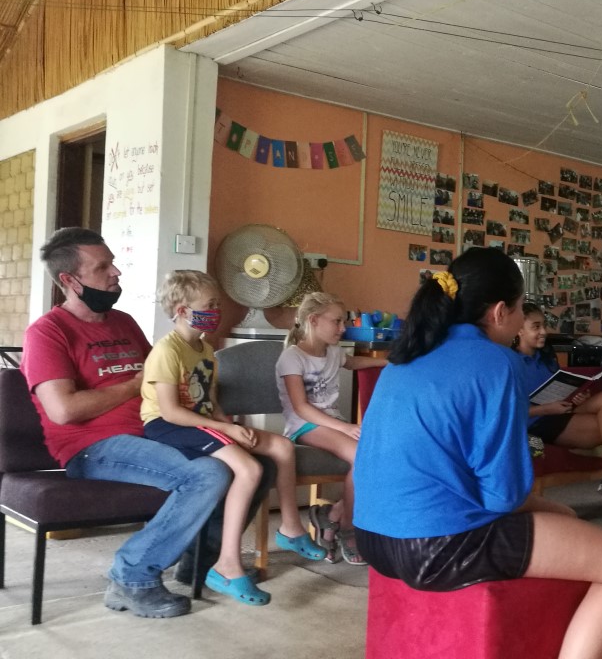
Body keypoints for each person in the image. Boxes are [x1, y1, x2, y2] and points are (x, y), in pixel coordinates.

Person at [353, 248, 602, 659]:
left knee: (567, 529)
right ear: (499, 312)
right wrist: (558, 510)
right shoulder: (496, 361)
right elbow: (503, 497)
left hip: (371, 537)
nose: (522, 320)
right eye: (522, 309)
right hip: (435, 545)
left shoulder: (407, 355)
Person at [19, 228, 231, 618]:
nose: (116, 272)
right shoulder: (47, 333)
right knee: (208, 473)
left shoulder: (124, 323)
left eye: (113, 263)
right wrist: (133, 385)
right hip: (94, 446)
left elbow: (165, 380)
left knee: (255, 462)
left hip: (156, 430)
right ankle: (132, 576)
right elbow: (63, 410)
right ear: (70, 280)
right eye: (102, 267)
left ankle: (197, 563)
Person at [141, 270, 327, 605]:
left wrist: (228, 424)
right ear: (182, 310)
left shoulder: (205, 350)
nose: (217, 311)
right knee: (250, 468)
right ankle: (227, 565)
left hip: (201, 422)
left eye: (217, 304)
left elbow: (208, 402)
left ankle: (290, 528)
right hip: (169, 425)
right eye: (210, 305)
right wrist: (226, 431)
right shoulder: (167, 351)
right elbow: (170, 411)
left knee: (281, 446)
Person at [513, 302, 602, 543]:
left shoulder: (546, 356)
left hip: (559, 411)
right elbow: (508, 412)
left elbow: (557, 392)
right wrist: (548, 409)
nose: (543, 331)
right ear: (519, 330)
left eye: (544, 325)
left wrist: (575, 397)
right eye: (536, 326)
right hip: (537, 422)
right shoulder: (509, 362)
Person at [276, 291, 388, 564]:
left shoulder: (334, 352)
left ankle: (333, 515)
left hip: (331, 425)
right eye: (337, 321)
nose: (343, 328)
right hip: (304, 426)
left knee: (378, 455)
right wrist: (345, 427)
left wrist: (387, 362)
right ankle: (348, 528)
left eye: (343, 321)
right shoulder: (292, 357)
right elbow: (301, 408)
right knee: (362, 455)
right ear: (313, 320)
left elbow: (353, 362)